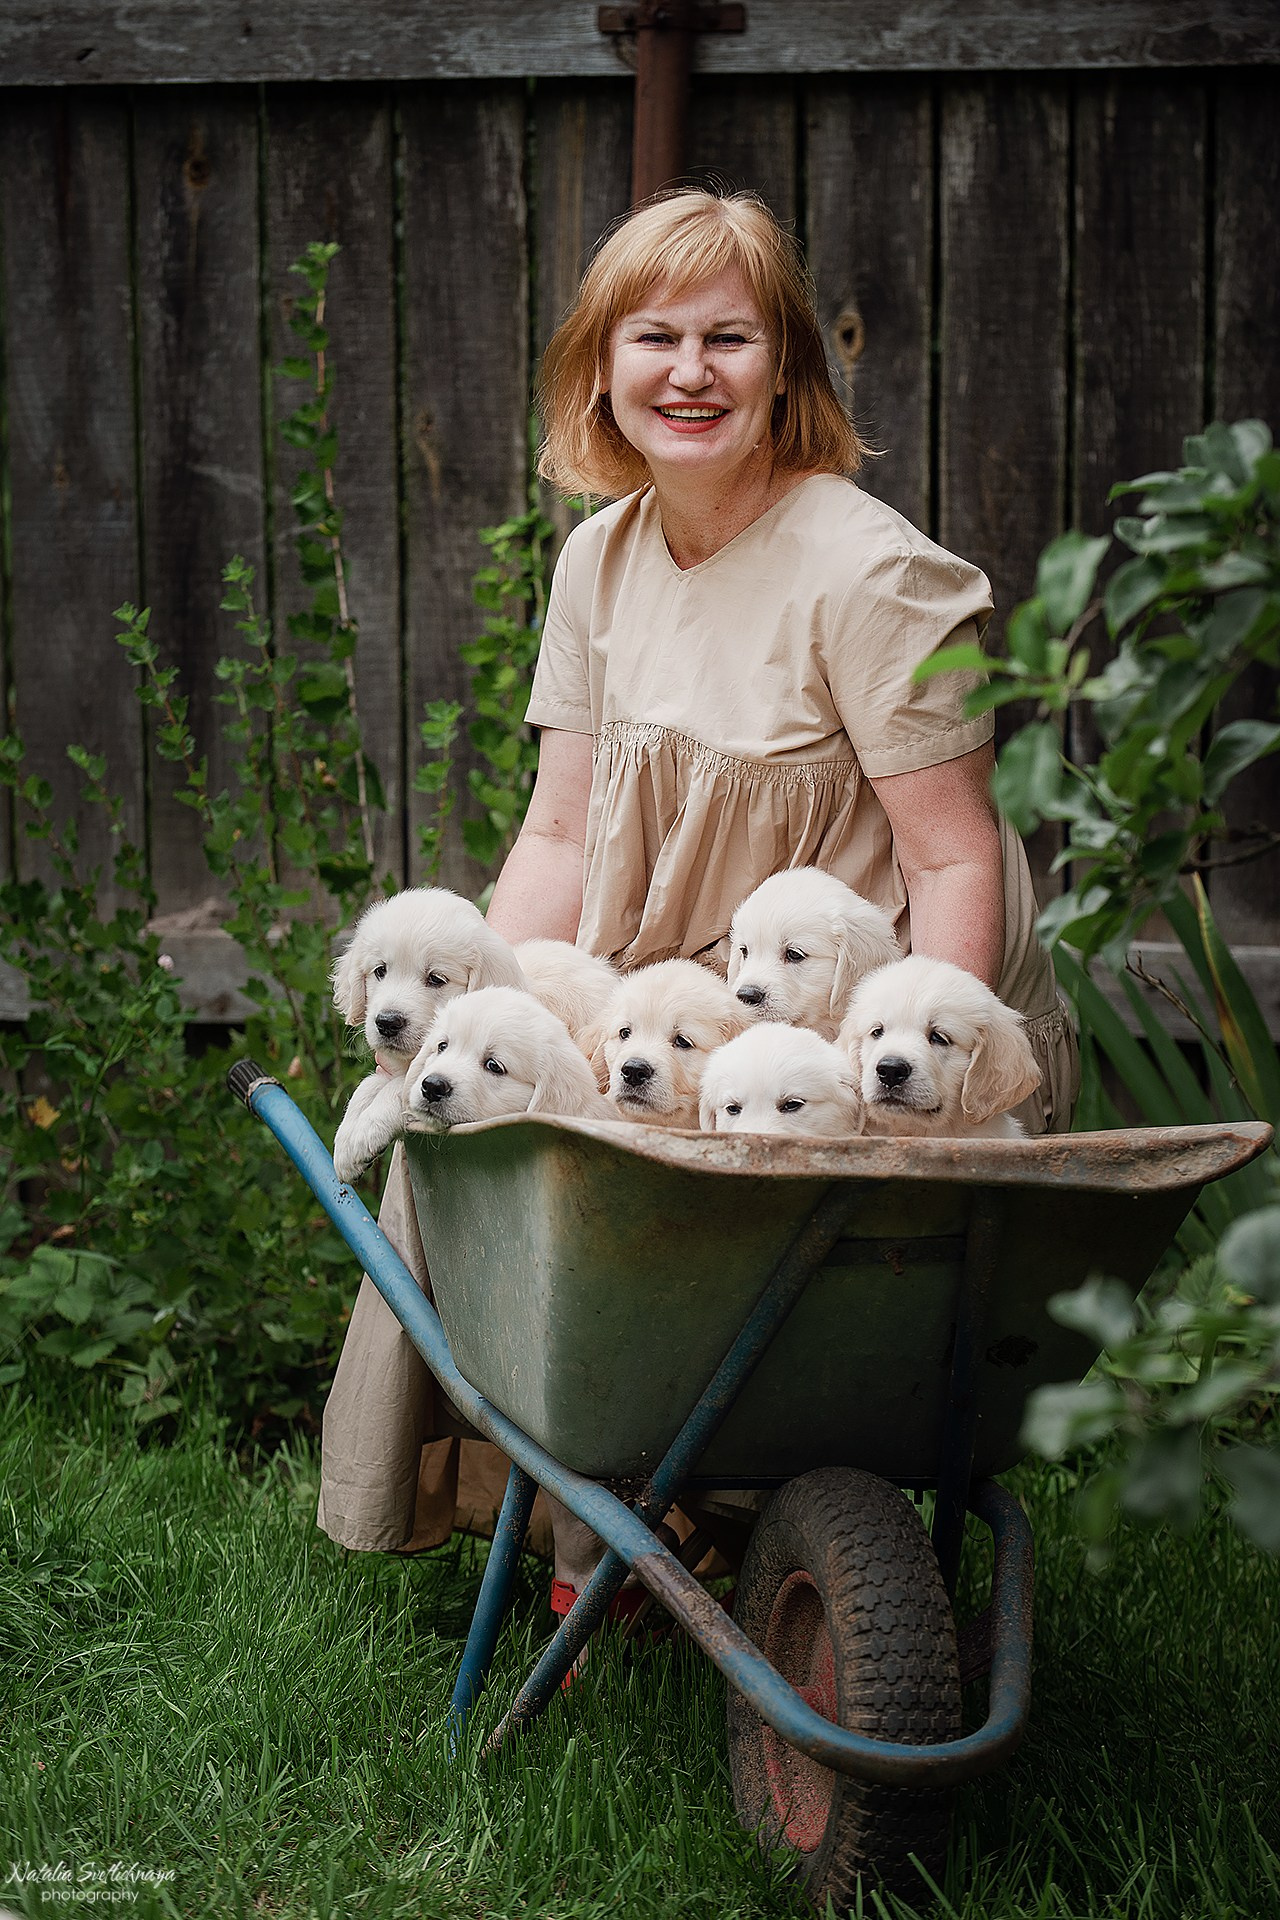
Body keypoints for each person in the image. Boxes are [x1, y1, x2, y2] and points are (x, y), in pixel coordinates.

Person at [317, 189, 1079, 1582]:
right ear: (598, 366)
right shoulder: (598, 561)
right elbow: (555, 839)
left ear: (786, 363)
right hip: (661, 1003)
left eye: (728, 337)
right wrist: (472, 1023)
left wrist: (921, 1113)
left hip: (842, 1031)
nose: (688, 371)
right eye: (651, 336)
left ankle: (664, 1517)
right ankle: (599, 1516)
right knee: (486, 1118)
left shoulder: (867, 574)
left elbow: (953, 855)